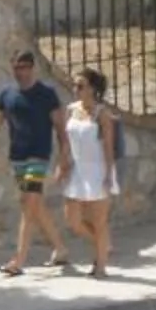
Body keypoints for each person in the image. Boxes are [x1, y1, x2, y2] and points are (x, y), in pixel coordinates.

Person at [0, 47, 70, 276]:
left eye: (25, 68)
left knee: (29, 204)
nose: (21, 73)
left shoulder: (47, 94)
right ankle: (60, 248)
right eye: (17, 68)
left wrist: (63, 159)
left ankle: (18, 260)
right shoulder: (7, 95)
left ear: (32, 68)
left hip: (39, 156)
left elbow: (61, 130)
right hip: (18, 157)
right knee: (34, 205)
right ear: (12, 69)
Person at [56, 66, 119, 277]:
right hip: (77, 169)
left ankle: (100, 265)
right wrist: (62, 165)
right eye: (74, 85)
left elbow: (109, 148)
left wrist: (109, 175)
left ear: (92, 89)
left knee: (98, 221)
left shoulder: (103, 115)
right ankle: (102, 245)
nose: (76, 89)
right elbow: (66, 142)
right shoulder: (71, 110)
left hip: (96, 170)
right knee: (72, 220)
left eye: (81, 86)